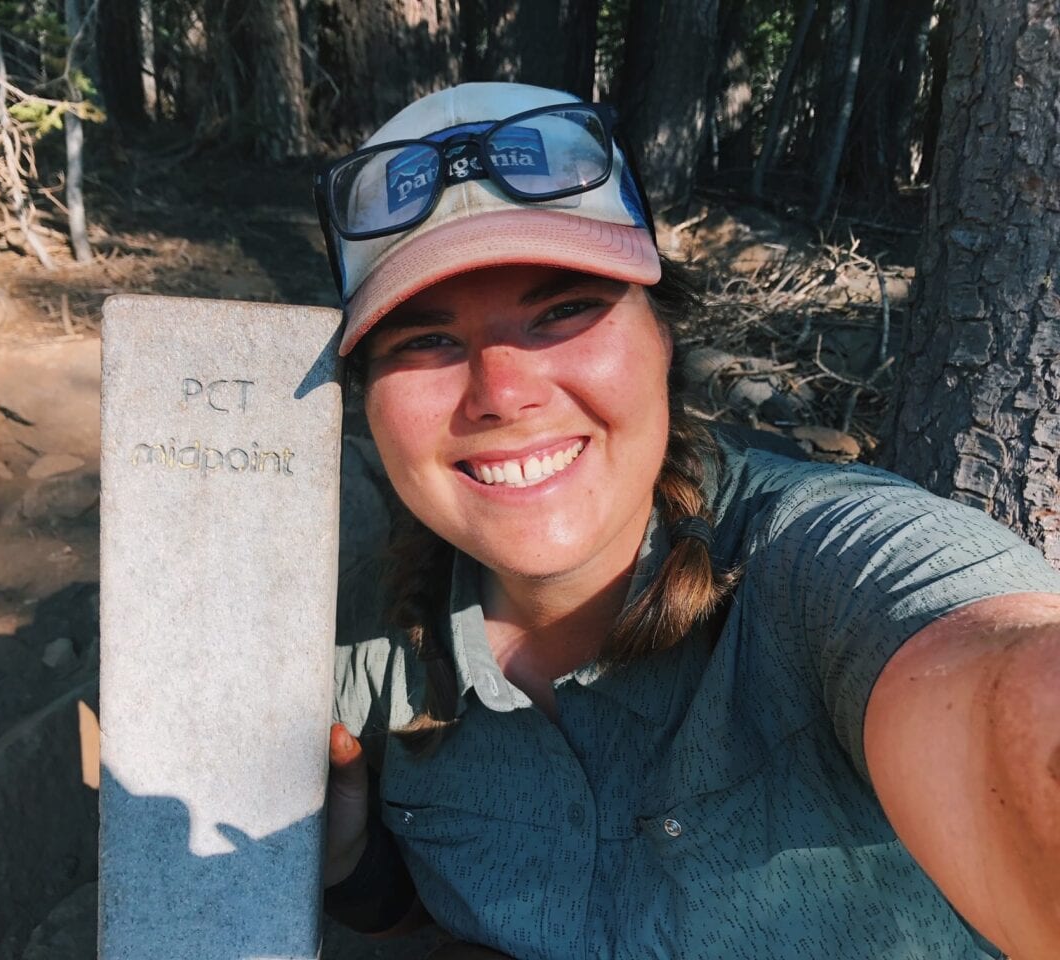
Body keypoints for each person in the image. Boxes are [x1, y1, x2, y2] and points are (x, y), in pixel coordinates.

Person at [313, 81, 1060, 960]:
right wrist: (358, 869)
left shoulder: (820, 568)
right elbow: (428, 906)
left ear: (664, 339)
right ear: (365, 401)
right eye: (425, 341)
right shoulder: (354, 640)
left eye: (564, 311)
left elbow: (1001, 691)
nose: (503, 392)